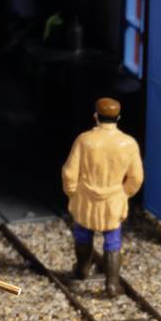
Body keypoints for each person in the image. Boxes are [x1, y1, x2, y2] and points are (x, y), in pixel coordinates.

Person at [61, 97, 144, 298]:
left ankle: (81, 270)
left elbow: (69, 172)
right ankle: (112, 284)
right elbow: (136, 177)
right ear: (118, 118)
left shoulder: (85, 141)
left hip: (86, 198)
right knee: (113, 241)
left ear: (96, 116)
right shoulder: (128, 143)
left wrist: (72, 191)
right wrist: (124, 193)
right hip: (113, 200)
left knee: (82, 233)